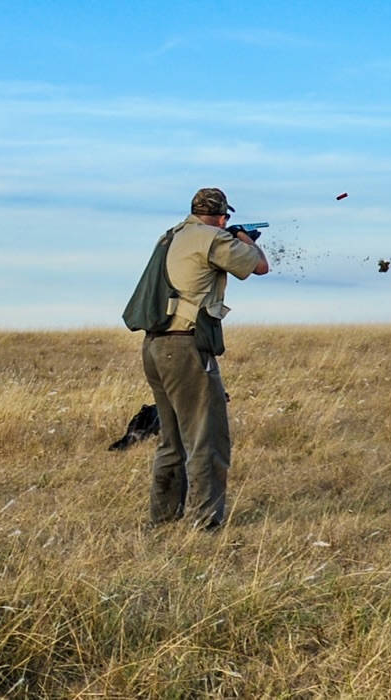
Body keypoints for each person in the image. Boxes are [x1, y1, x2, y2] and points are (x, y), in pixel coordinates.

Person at [139, 187, 268, 531]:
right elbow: (260, 266)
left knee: (173, 440)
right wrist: (245, 238)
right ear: (223, 216)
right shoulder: (213, 238)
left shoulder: (171, 236)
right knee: (206, 439)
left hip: (155, 346)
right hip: (185, 348)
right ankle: (205, 523)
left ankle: (162, 520)